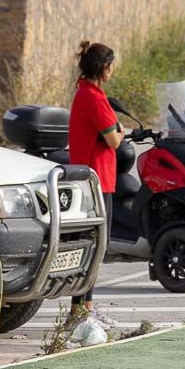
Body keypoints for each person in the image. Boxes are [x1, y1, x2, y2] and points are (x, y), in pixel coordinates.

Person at [69, 41, 124, 318]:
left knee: (90, 247)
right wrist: (122, 132)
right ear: (104, 68)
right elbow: (113, 140)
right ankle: (82, 310)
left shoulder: (84, 93)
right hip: (97, 181)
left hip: (90, 178)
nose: (112, 71)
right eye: (111, 66)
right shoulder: (94, 97)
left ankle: (81, 309)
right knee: (96, 248)